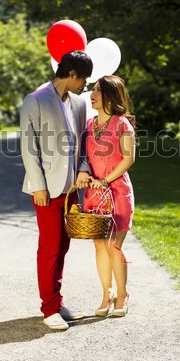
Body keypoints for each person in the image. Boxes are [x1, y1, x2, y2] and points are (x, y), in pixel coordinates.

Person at [20, 50, 93, 331]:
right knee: (50, 247)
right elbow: (29, 148)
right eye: (83, 78)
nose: (85, 84)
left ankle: (57, 301)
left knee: (63, 245)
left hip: (72, 187)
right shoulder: (35, 100)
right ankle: (48, 308)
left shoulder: (79, 103)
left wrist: (84, 169)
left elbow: (84, 143)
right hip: (46, 190)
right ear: (72, 73)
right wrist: (38, 186)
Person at [79, 75, 135, 318]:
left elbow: (128, 158)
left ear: (111, 95)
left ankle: (122, 295)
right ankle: (107, 293)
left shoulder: (122, 124)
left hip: (118, 192)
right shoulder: (90, 125)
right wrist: (87, 175)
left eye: (99, 90)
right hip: (94, 194)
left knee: (114, 245)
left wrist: (105, 180)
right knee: (99, 245)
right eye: (93, 89)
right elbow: (86, 159)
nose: (92, 94)